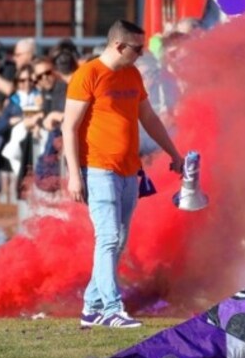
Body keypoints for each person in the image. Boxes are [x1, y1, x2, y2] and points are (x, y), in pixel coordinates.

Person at [63, 19, 183, 328]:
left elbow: (149, 117)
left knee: (117, 241)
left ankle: (91, 306)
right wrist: (75, 175)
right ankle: (112, 308)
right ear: (118, 45)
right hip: (99, 170)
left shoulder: (132, 75)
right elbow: (69, 127)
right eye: (137, 48)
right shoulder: (87, 75)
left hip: (130, 171)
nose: (142, 54)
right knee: (109, 237)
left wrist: (173, 152)